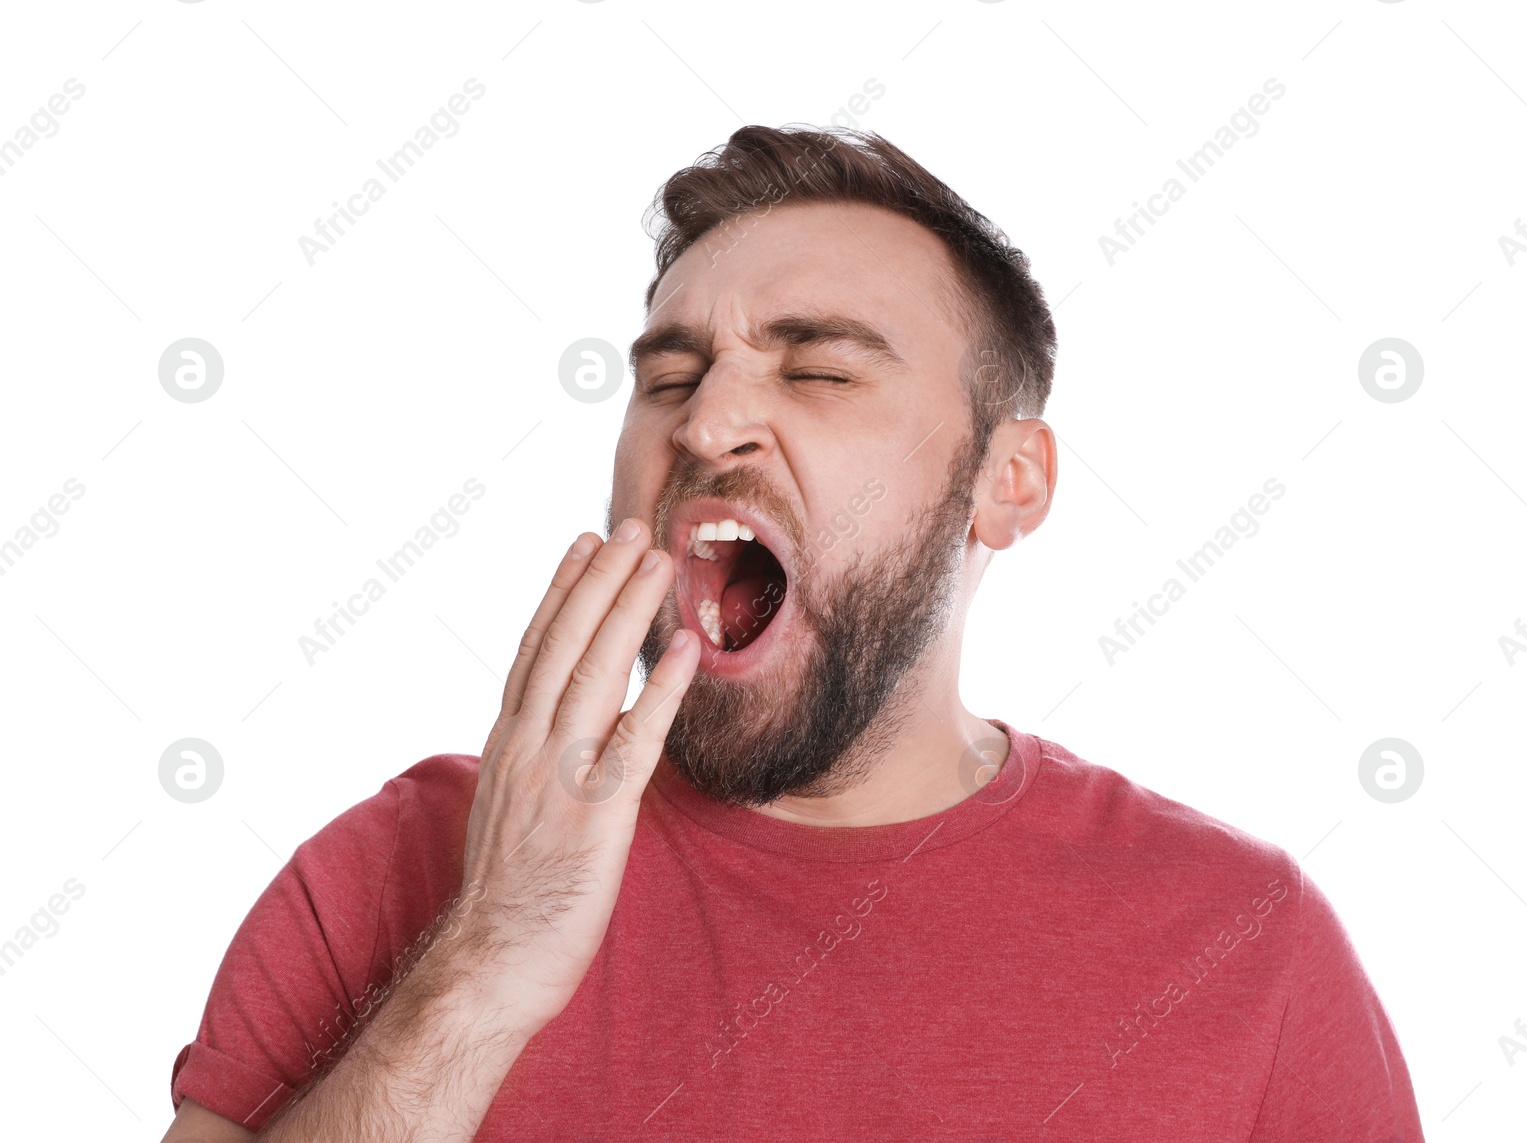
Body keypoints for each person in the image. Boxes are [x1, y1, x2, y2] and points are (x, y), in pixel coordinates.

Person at [162, 125, 1424, 1142]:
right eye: (666, 378)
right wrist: (482, 968)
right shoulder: (392, 869)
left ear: (1009, 480)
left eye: (815, 370)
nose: (706, 427)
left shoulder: (1241, 942)